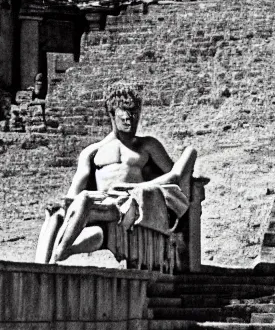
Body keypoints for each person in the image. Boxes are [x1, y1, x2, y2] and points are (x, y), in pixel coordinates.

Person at [35, 85, 197, 264]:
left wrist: (134, 188)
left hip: (125, 204)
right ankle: (40, 269)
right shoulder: (92, 152)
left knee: (85, 200)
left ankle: (56, 257)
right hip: (100, 202)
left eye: (135, 116)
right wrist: (65, 204)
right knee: (57, 215)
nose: (132, 122)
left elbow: (173, 178)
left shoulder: (147, 145)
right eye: (126, 117)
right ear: (112, 115)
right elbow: (75, 189)